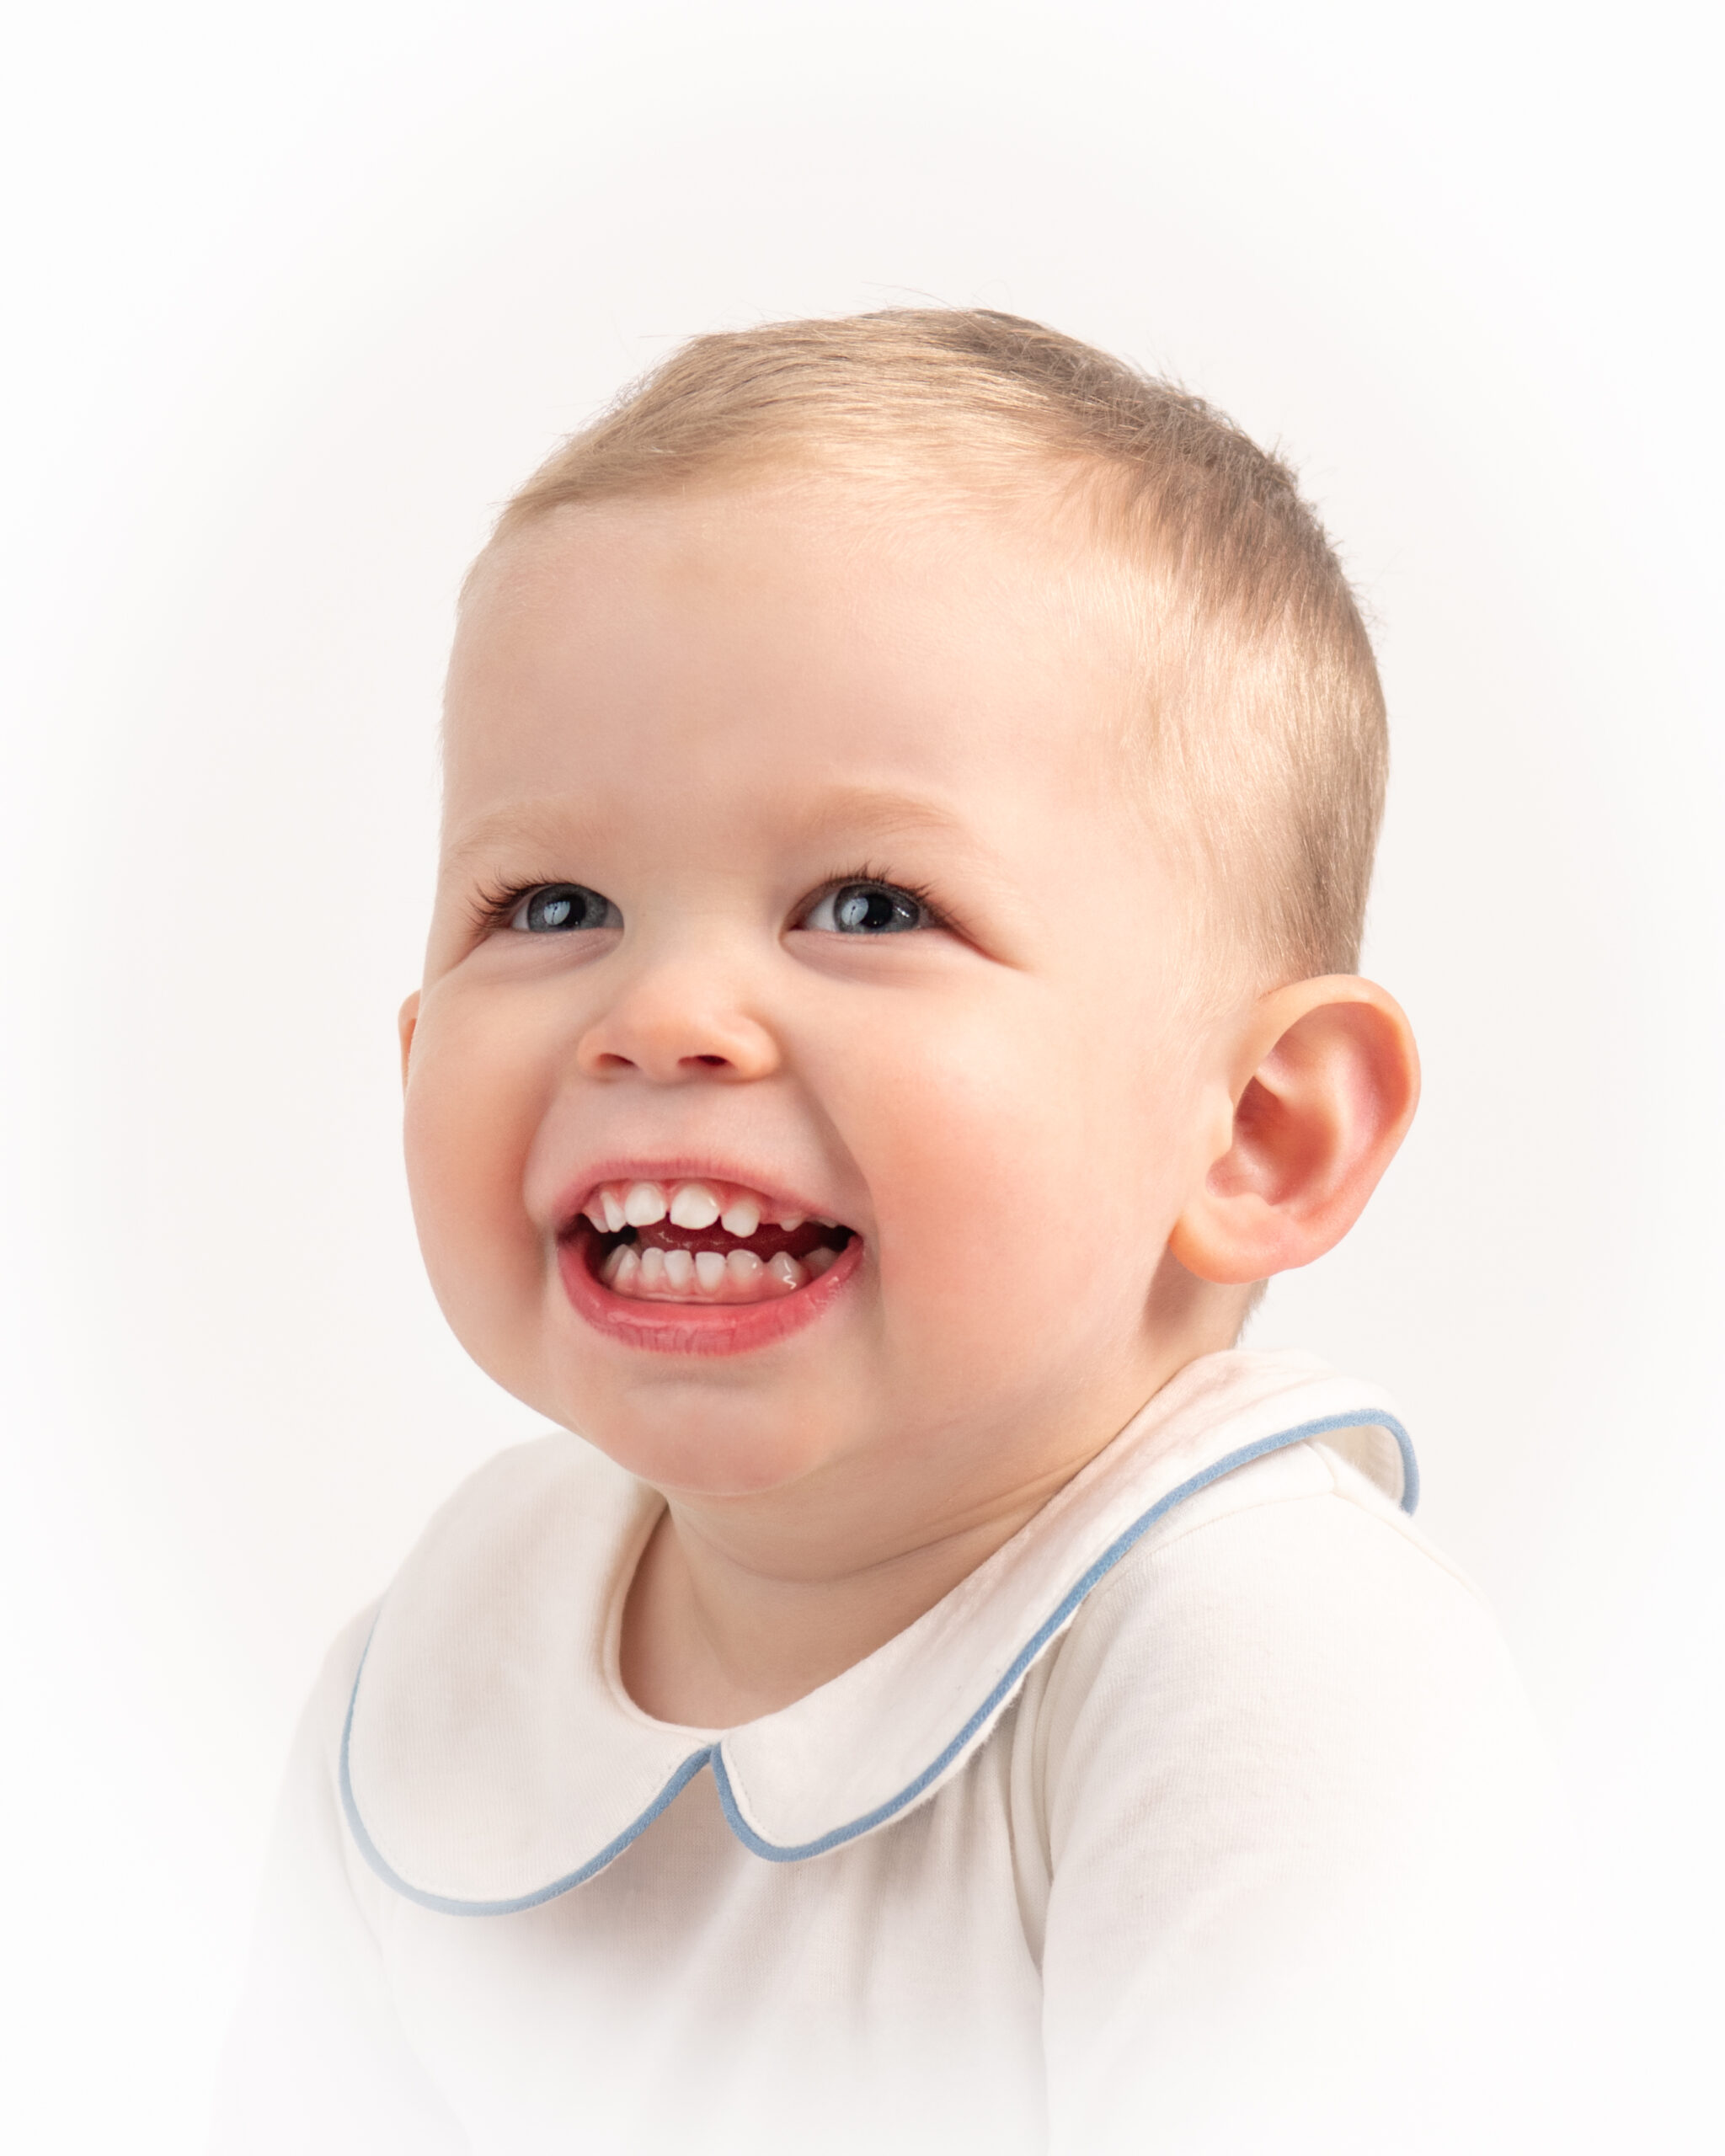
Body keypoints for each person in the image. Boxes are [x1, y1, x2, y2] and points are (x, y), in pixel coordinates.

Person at [211, 310, 1541, 2154]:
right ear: (412, 1038)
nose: (664, 1009)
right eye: (552, 898)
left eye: (862, 899)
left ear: (1254, 1130)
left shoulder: (1271, 1660)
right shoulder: (443, 1650)